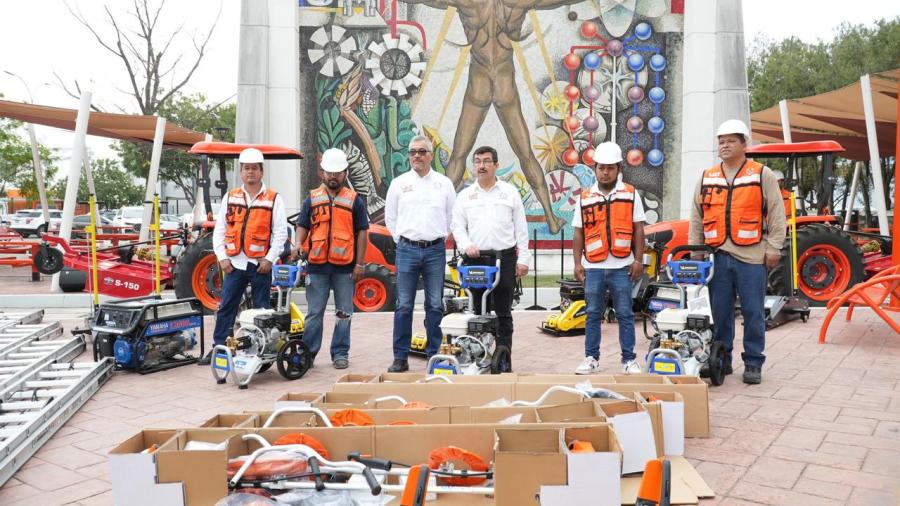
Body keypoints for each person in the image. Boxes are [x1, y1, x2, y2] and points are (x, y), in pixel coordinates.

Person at [400, 0, 586, 234]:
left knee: (459, 155)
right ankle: (551, 217)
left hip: (478, 84)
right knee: (526, 154)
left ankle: (440, 218)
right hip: (504, 84)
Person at [689, 119, 786, 385]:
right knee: (720, 314)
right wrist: (696, 249)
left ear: (745, 144)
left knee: (754, 312)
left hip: (752, 258)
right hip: (717, 256)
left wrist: (775, 246)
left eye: (731, 140)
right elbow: (696, 216)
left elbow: (777, 213)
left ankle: (753, 362)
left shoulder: (761, 174)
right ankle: (722, 359)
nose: (724, 145)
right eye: (721, 141)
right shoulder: (707, 176)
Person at [201, 148, 288, 365]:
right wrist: (222, 257)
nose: (250, 173)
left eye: (254, 169)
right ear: (241, 172)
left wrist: (269, 259)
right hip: (234, 264)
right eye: (246, 169)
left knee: (261, 311)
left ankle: (262, 352)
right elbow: (219, 230)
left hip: (260, 266)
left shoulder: (273, 199)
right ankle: (219, 348)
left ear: (261, 171)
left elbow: (280, 233)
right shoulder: (230, 197)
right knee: (227, 308)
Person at [451, 146, 530, 367]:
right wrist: (466, 245)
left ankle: (504, 359)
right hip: (475, 261)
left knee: (503, 312)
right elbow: (457, 227)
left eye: (486, 161)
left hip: (503, 259)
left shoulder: (509, 193)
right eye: (477, 161)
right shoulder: (466, 195)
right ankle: (478, 356)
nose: (482, 166)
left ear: (496, 165)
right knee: (477, 311)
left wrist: (523, 259)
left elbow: (521, 228)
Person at [571, 142, 646, 375]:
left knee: (625, 313)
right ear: (595, 169)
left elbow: (639, 229)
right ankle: (591, 358)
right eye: (601, 168)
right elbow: (578, 232)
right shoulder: (585, 198)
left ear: (618, 168)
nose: (605, 172)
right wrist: (577, 264)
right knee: (593, 313)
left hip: (622, 266)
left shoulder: (631, 194)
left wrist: (638, 260)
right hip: (593, 266)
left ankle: (628, 359)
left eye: (610, 168)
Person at [384, 135, 456, 372]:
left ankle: (434, 356)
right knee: (404, 305)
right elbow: (391, 218)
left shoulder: (444, 184)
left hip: (435, 250)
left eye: (422, 151)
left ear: (431, 155)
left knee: (435, 304)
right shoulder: (399, 183)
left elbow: (451, 217)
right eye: (413, 151)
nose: (417, 155)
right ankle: (399, 357)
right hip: (407, 250)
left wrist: (440, 236)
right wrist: (401, 239)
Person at [292, 148, 369, 369]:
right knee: (314, 313)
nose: (333, 177)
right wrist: (298, 244)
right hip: (317, 266)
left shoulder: (355, 201)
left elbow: (362, 232)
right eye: (329, 172)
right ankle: (309, 353)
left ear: (345, 173)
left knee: (344, 313)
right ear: (322, 173)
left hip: (345, 268)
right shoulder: (312, 199)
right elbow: (302, 225)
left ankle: (340, 353)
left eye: (337, 173)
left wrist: (360, 264)